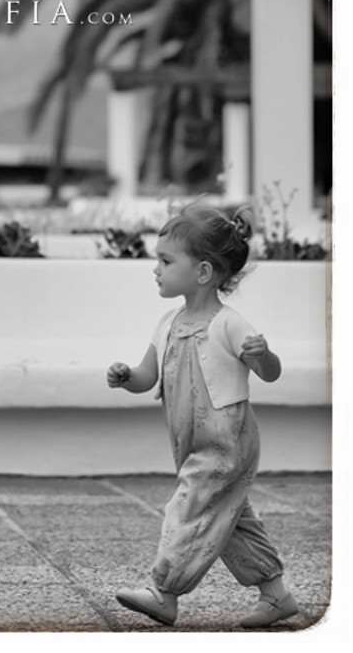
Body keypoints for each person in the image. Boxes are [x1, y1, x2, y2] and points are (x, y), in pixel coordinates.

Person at [106, 202, 298, 629]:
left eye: (165, 260)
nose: (155, 268)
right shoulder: (166, 323)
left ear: (204, 272)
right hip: (190, 441)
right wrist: (126, 377)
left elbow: (269, 373)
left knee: (190, 506)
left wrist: (262, 356)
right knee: (230, 518)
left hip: (227, 440)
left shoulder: (229, 323)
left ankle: (164, 590)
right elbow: (146, 376)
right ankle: (277, 595)